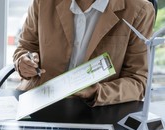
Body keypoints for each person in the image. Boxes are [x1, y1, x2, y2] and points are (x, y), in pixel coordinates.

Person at [13, 0, 155, 107]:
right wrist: (23, 62)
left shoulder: (139, 9)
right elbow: (25, 47)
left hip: (95, 109)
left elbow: (138, 82)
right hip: (37, 101)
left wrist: (97, 91)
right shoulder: (43, 2)